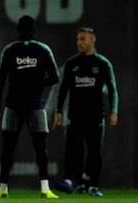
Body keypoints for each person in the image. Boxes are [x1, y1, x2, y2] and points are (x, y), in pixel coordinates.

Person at [0, 15, 59, 199]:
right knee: (40, 148)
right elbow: (54, 77)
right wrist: (38, 84)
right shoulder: (43, 50)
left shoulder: (10, 50)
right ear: (34, 29)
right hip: (36, 106)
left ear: (18, 30)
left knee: (8, 148)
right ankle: (45, 188)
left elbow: (0, 81)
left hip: (13, 106)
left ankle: (2, 189)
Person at [52, 27, 118, 197]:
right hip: (75, 116)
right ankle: (72, 181)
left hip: (96, 117)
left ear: (92, 41)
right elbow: (63, 89)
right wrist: (58, 111)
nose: (79, 42)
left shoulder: (102, 64)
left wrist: (114, 111)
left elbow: (112, 90)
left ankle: (93, 187)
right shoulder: (72, 64)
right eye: (77, 39)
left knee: (94, 153)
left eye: (82, 39)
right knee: (73, 151)